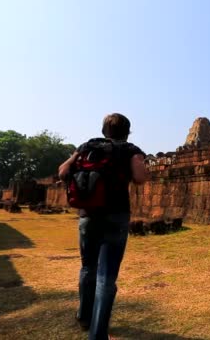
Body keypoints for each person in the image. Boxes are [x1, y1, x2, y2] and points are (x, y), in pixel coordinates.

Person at [58, 113, 147, 340]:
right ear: (128, 131)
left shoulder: (88, 146)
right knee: (106, 278)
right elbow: (139, 177)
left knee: (88, 268)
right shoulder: (130, 150)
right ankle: (97, 334)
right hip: (116, 216)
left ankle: (84, 315)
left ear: (104, 130)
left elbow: (63, 172)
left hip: (88, 215)